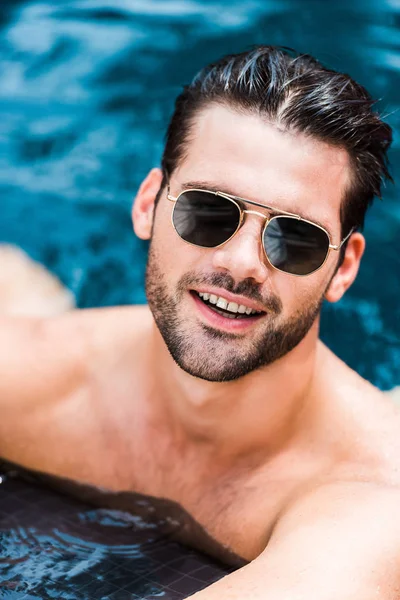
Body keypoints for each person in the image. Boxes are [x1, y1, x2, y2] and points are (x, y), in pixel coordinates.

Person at [1, 45, 400, 598]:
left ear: (343, 268)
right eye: (209, 211)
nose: (240, 264)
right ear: (147, 205)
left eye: (294, 240)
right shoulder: (28, 376)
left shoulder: (371, 507)